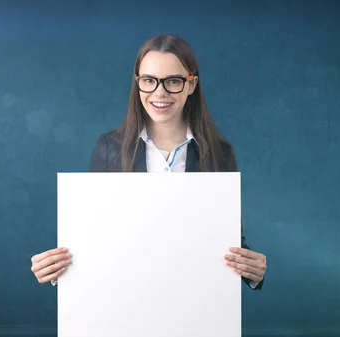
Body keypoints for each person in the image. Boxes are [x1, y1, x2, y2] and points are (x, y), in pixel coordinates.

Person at [31, 34, 267, 290]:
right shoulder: (110, 150)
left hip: (193, 303)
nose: (160, 92)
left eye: (173, 81)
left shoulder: (220, 153)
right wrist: (55, 269)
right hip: (128, 302)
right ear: (138, 83)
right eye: (149, 81)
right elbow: (94, 239)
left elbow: (229, 242)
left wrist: (252, 272)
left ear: (191, 84)